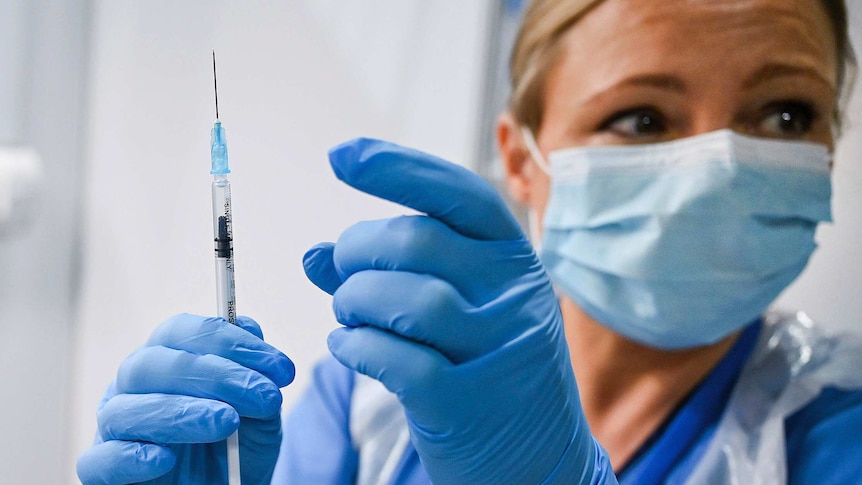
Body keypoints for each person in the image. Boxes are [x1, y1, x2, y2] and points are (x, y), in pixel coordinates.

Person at [77, 0, 862, 483]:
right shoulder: (369, 401)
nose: (718, 166)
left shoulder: (838, 433)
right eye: (644, 117)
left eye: (786, 115)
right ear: (521, 158)